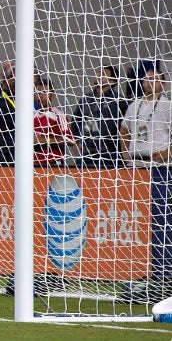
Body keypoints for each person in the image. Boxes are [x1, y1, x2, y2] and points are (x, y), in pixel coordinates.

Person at [119, 65, 172, 303]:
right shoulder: (135, 105)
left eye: (155, 79)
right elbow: (123, 130)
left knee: (161, 221)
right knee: (139, 220)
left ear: (163, 83)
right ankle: (145, 273)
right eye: (146, 79)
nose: (150, 83)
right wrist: (125, 155)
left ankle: (164, 274)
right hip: (137, 168)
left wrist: (165, 153)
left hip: (160, 168)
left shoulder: (168, 106)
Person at [71, 65, 127, 168]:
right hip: (86, 154)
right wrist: (75, 144)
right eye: (98, 72)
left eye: (104, 73)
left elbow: (126, 127)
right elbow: (75, 122)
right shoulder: (85, 99)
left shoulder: (120, 101)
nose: (99, 75)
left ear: (112, 80)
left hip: (110, 155)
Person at [33, 77, 75, 166]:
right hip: (33, 165)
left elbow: (70, 140)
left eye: (44, 92)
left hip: (53, 165)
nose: (40, 95)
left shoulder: (58, 115)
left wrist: (45, 140)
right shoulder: (30, 116)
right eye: (38, 92)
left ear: (52, 94)